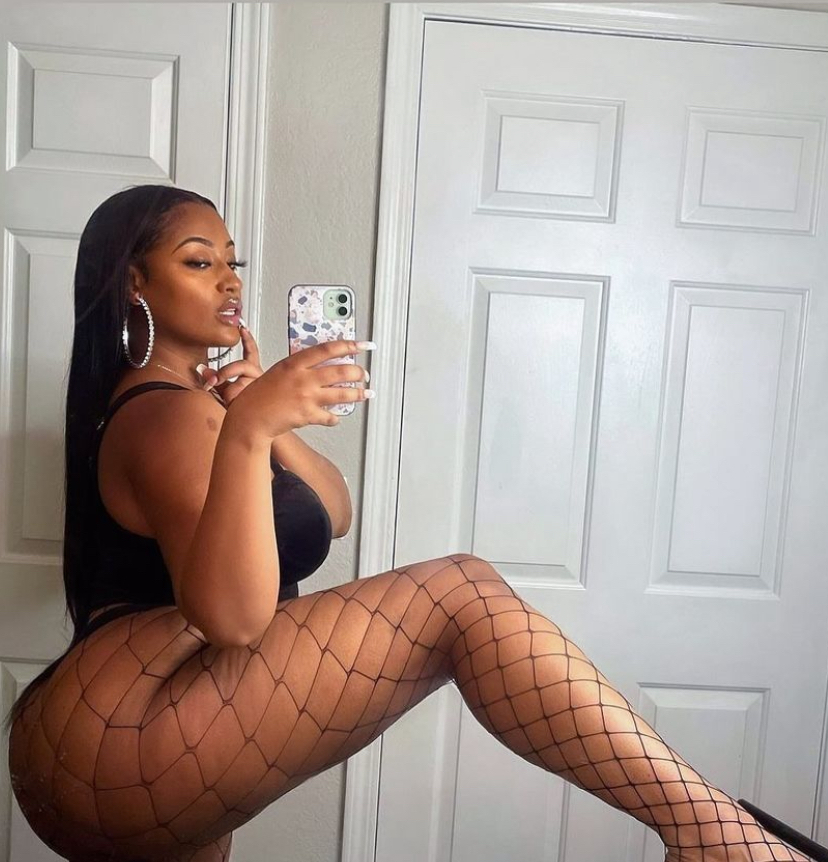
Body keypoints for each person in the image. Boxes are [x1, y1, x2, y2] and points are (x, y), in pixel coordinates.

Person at [2, 184, 818, 862]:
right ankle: (715, 836)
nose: (230, 283)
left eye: (233, 262)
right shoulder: (167, 417)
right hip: (129, 730)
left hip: (127, 732)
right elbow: (236, 620)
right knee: (460, 595)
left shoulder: (198, 406)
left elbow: (334, 513)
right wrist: (249, 428)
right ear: (134, 282)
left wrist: (262, 418)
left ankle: (713, 835)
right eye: (198, 261)